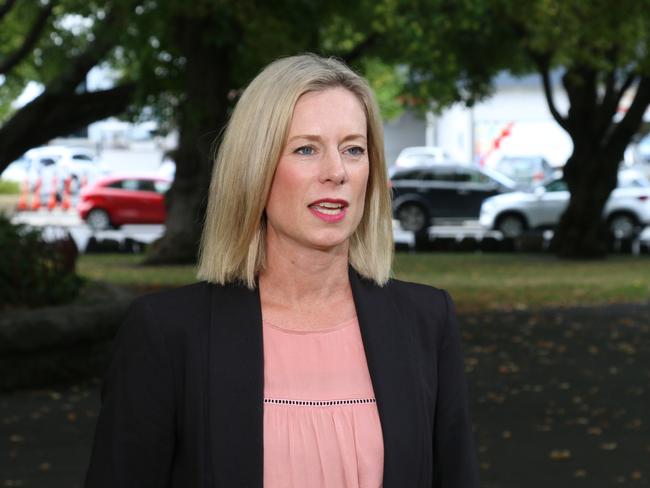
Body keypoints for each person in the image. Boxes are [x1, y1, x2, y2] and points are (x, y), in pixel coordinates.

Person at [84, 53, 479, 488]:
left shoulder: (426, 320)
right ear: (256, 168)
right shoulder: (167, 333)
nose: (337, 172)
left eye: (353, 149)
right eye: (306, 149)